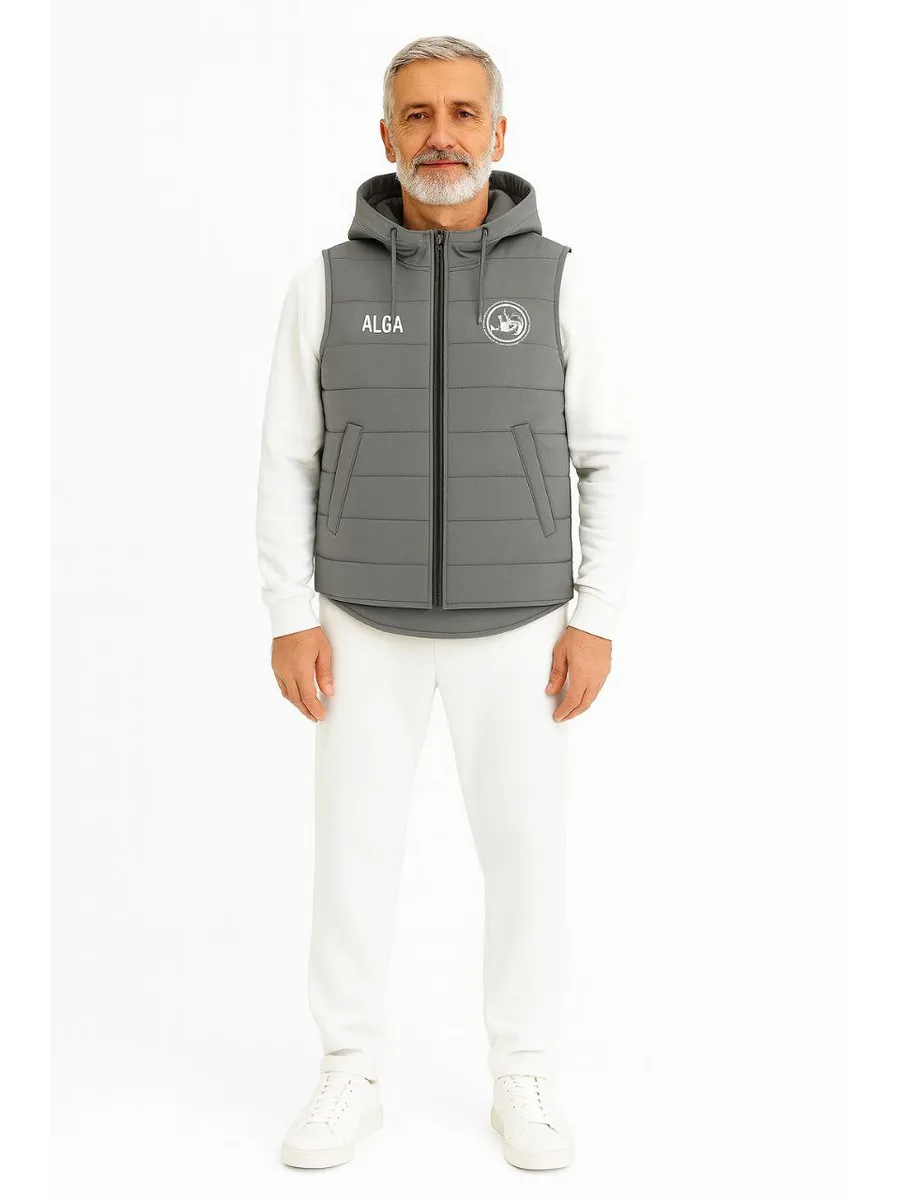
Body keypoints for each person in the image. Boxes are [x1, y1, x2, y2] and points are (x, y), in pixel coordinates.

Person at [255, 34, 642, 1171]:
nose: (440, 136)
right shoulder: (324, 282)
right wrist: (289, 612)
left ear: (498, 133)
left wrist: (595, 617)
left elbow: (609, 455)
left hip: (521, 628)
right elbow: (285, 457)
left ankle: (524, 1072)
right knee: (352, 856)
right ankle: (349, 1072)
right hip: (357, 624)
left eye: (463, 113)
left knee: (526, 856)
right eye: (417, 116)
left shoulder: (560, 279)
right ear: (386, 135)